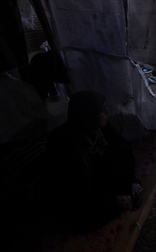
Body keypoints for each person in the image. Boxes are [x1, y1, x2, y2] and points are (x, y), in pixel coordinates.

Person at [41, 90, 142, 229]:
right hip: (75, 196)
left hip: (95, 178)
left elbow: (124, 152)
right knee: (88, 215)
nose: (106, 112)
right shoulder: (65, 146)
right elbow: (74, 191)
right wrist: (112, 201)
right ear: (89, 115)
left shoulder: (98, 128)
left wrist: (132, 181)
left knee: (122, 171)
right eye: (101, 110)